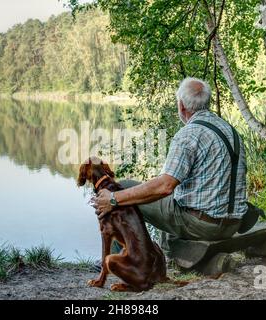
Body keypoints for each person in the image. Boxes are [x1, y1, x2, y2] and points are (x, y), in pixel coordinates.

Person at [92, 77, 248, 259]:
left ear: (181, 106)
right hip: (233, 224)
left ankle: (118, 261)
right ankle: (158, 253)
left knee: (123, 187)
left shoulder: (188, 135)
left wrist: (113, 198)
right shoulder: (230, 130)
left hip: (205, 227)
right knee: (172, 198)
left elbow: (164, 186)